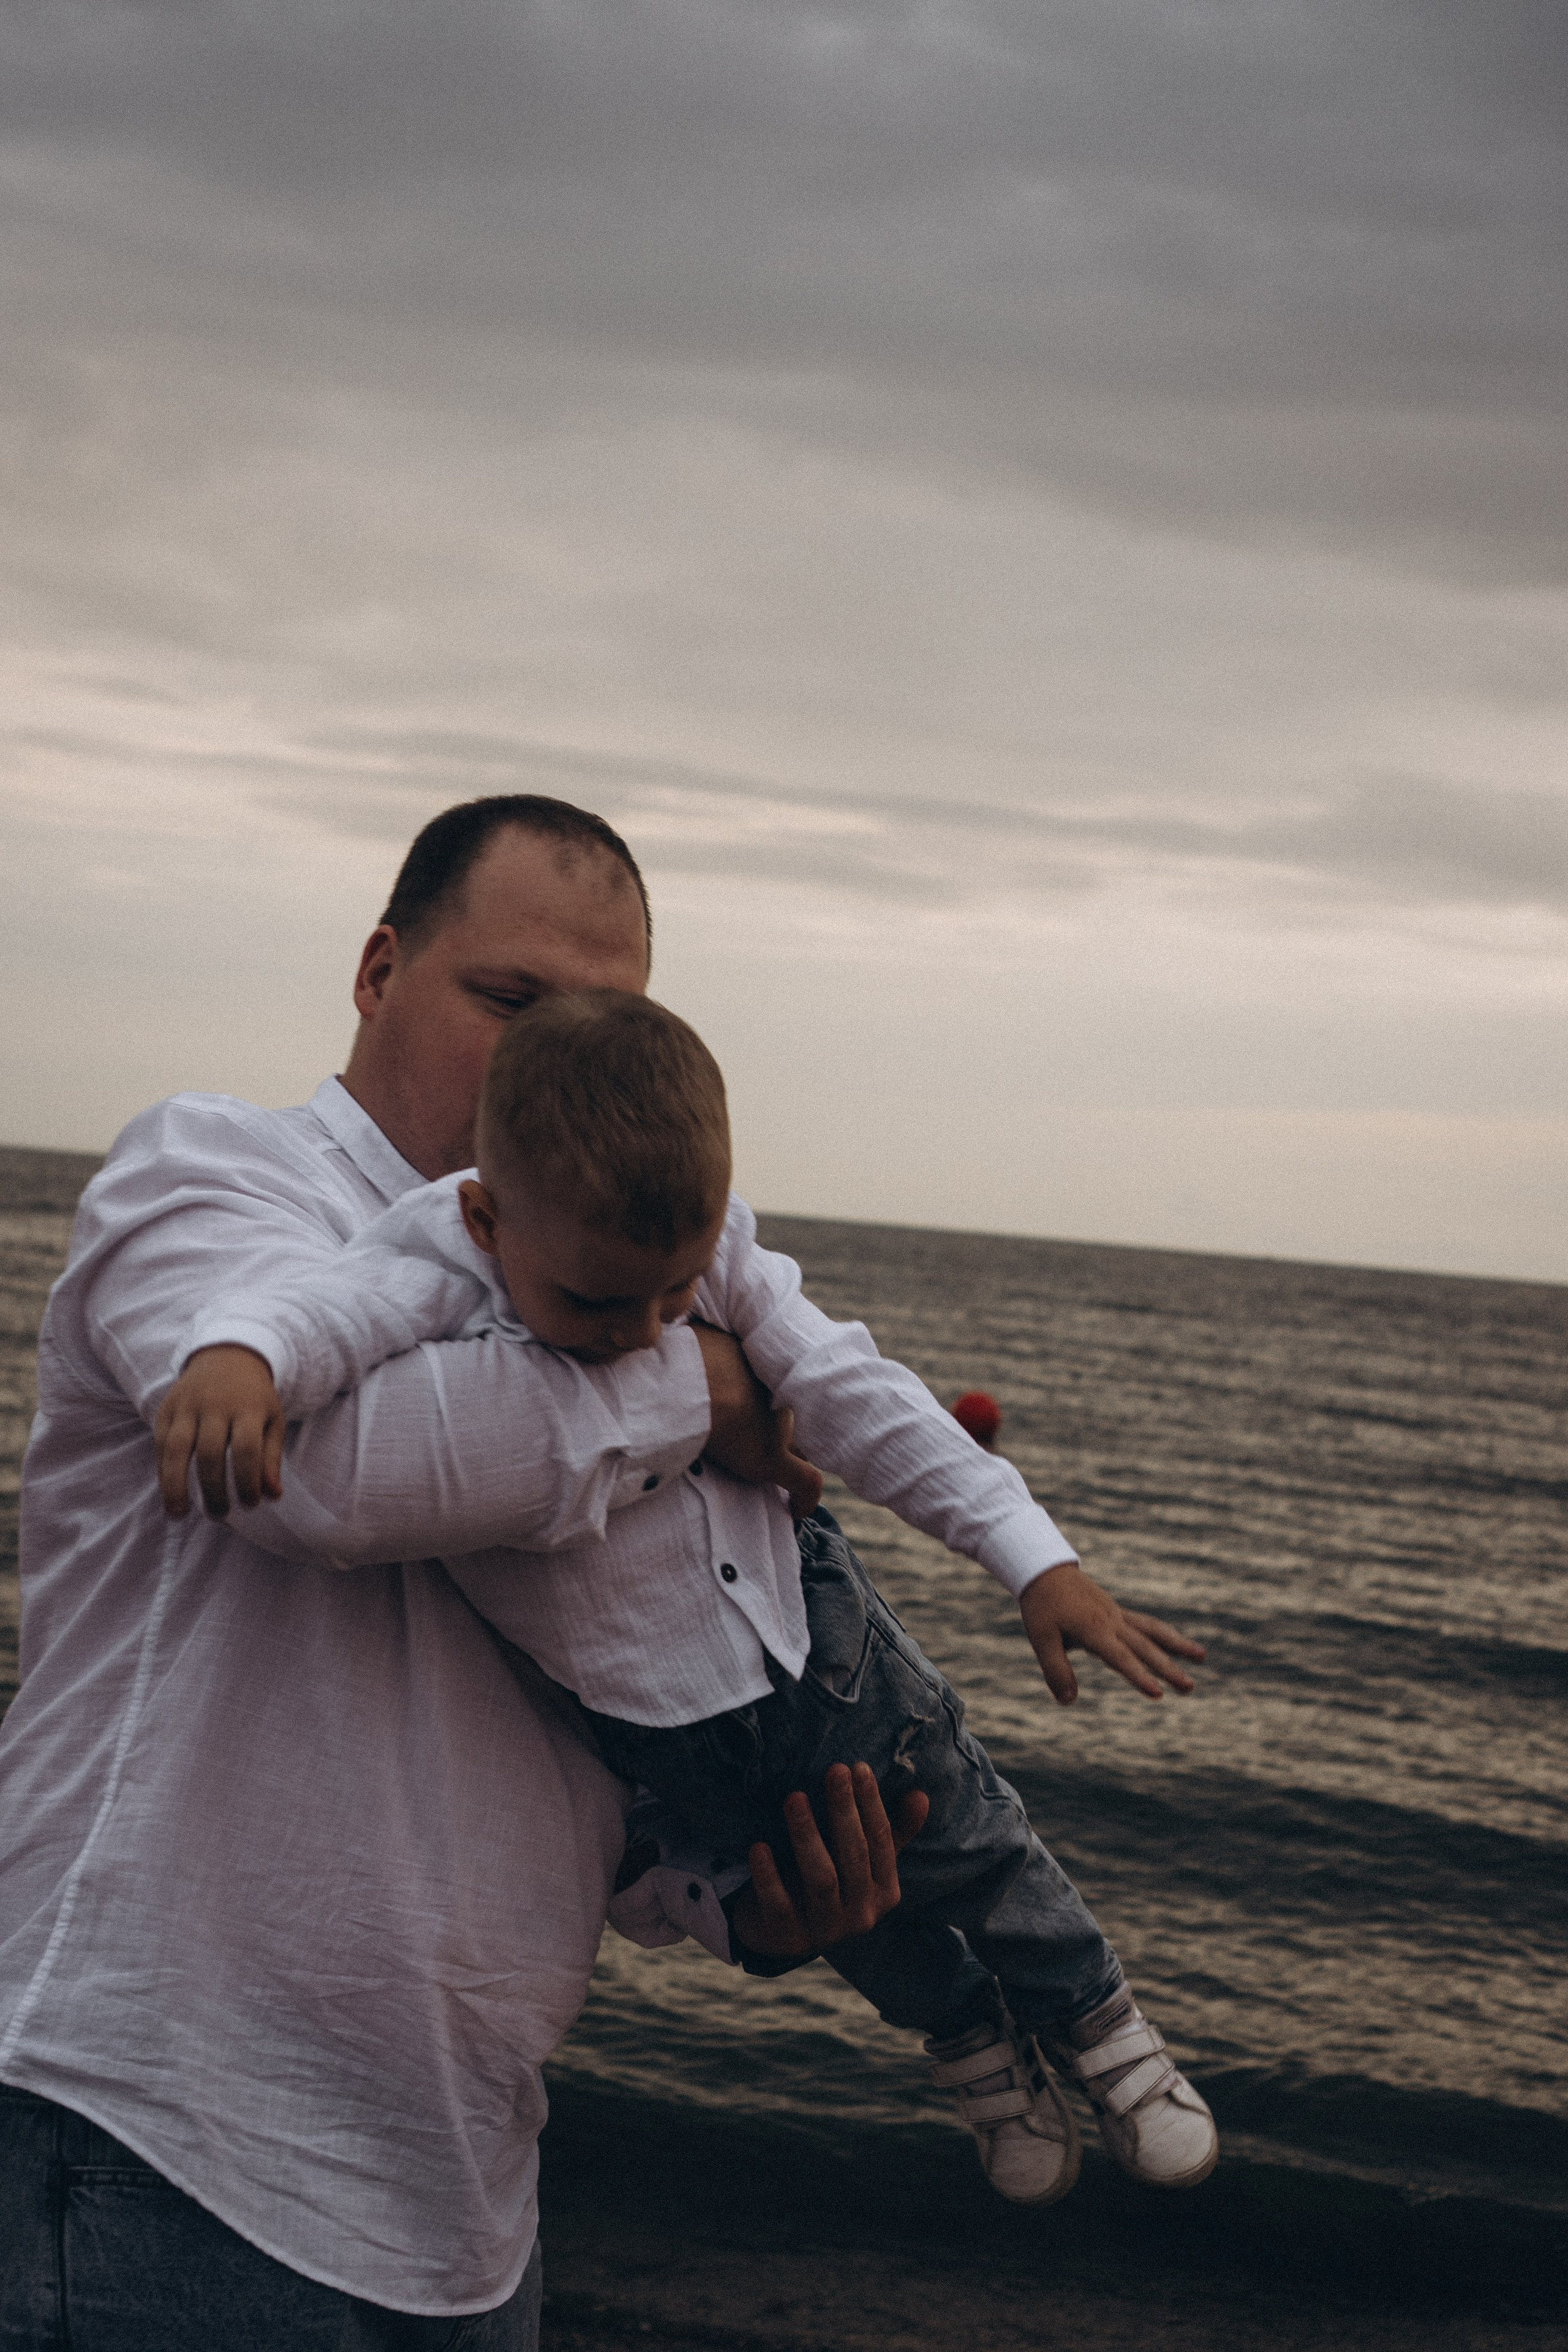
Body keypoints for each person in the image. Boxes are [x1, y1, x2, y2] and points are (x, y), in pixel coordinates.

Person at [0, 796, 923, 2351]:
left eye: (603, 1024)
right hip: (152, 2136)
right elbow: (329, 1476)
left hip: (466, 2219)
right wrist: (705, 1394)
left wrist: (739, 1896)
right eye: (505, 1001)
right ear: (376, 972)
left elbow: (582, 1719)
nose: (548, 1058)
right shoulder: (221, 1178)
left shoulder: (604, 1298)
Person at [157, 986, 1218, 2211]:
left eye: (672, 1297)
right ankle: (973, 2050)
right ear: (493, 1222)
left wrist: (1034, 1560)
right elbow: (325, 1315)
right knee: (836, 1905)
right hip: (647, 1722)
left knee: (967, 1840)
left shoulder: (708, 1252)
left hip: (806, 1643)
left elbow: (849, 1389)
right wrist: (239, 1358)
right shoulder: (436, 1256)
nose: (649, 1335)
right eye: (600, 1306)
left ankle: (1103, 2030)